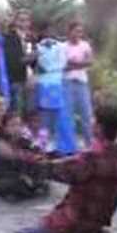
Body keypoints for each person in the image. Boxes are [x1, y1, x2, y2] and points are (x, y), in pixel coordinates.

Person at [11, 100, 117, 233]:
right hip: (96, 222)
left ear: (98, 126)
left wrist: (29, 158)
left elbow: (51, 169)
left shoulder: (89, 160)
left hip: (69, 223)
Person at [36, 22, 76, 155]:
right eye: (46, 31)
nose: (49, 33)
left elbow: (63, 63)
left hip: (57, 83)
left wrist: (49, 68)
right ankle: (42, 146)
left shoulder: (60, 46)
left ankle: (65, 147)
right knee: (45, 116)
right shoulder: (38, 47)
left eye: (52, 30)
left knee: (61, 115)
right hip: (44, 84)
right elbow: (36, 64)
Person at [64, 22, 94, 148]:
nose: (78, 34)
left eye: (80, 32)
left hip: (81, 82)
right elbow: (63, 66)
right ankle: (71, 144)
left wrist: (75, 64)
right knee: (68, 115)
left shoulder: (85, 46)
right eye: (75, 31)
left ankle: (89, 143)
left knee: (86, 114)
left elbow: (90, 62)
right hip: (67, 82)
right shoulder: (63, 47)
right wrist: (79, 64)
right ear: (69, 32)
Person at [5, 9, 36, 113]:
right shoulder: (9, 37)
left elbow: (33, 61)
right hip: (16, 81)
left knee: (29, 111)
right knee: (16, 112)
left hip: (30, 81)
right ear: (16, 22)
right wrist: (29, 58)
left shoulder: (30, 37)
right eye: (21, 20)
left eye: (26, 20)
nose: (24, 23)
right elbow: (12, 61)